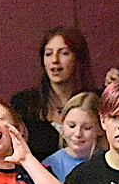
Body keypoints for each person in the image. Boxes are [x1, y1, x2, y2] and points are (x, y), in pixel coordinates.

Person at [11, 26, 96, 160]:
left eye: (64, 53)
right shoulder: (25, 104)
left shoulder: (95, 101)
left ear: (78, 58)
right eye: (48, 53)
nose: (55, 60)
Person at [43, 92, 106, 181]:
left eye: (87, 128)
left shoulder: (110, 161)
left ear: (100, 128)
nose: (78, 134)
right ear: (62, 125)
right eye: (72, 126)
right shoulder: (50, 165)